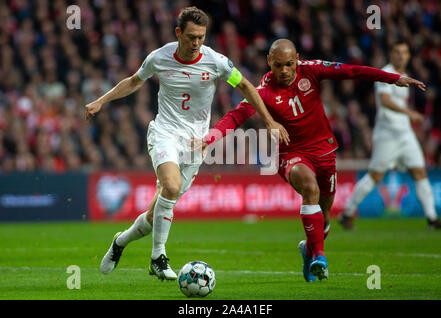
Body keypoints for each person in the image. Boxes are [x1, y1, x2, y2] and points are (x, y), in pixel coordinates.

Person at [85, 7, 289, 281]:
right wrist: (101, 100)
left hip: (196, 143)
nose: (196, 43)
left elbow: (245, 87)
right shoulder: (160, 57)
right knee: (171, 185)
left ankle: (120, 241)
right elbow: (134, 81)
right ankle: (158, 257)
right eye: (191, 37)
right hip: (165, 132)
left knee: (153, 214)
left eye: (201, 37)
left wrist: (267, 121)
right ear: (178, 33)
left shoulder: (215, 61)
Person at [201, 39, 426, 282]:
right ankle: (319, 256)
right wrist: (210, 138)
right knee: (310, 188)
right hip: (291, 154)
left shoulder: (312, 70)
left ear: (297, 58)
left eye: (289, 64)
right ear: (269, 62)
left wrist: (393, 78)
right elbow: (236, 116)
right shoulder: (263, 91)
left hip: (324, 151)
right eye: (278, 65)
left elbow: (352, 71)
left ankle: (308, 250)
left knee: (325, 214)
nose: (284, 71)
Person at [338, 41, 441, 230]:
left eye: (404, 52)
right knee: (375, 176)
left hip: (405, 134)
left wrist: (409, 116)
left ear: (408, 56)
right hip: (387, 135)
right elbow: (385, 101)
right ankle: (347, 213)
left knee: (420, 172)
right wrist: (409, 113)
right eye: (397, 52)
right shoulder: (386, 73)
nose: (401, 56)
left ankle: (432, 218)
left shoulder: (405, 76)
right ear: (391, 54)